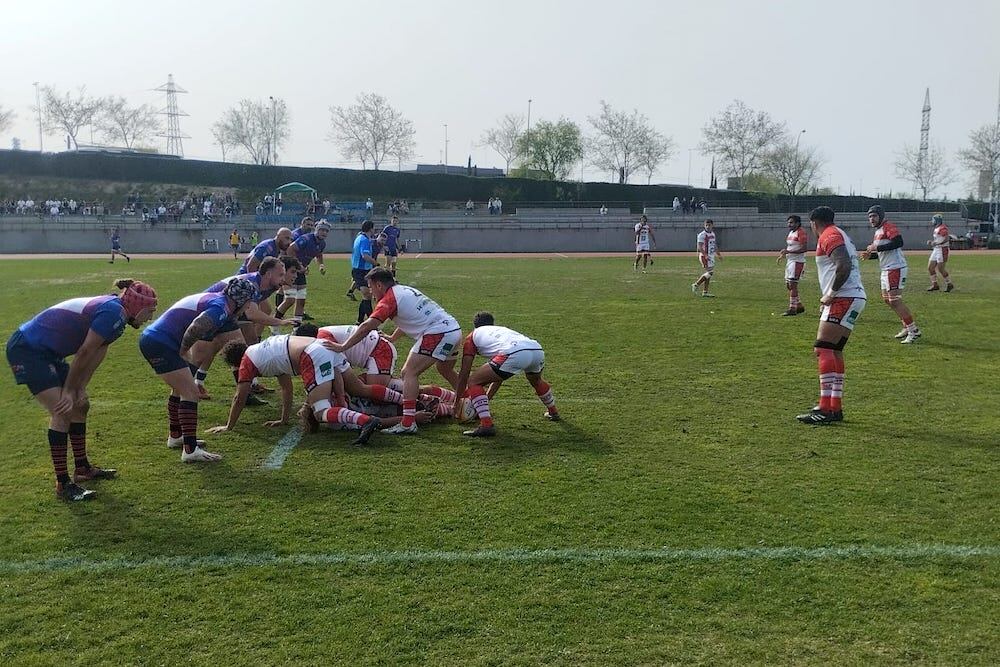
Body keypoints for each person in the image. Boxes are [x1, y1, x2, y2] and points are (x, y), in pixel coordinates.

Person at [6, 279, 158, 500]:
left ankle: (82, 469)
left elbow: (98, 351)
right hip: (27, 349)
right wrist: (69, 390)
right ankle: (63, 484)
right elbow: (84, 352)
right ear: (138, 307)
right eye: (150, 311)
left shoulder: (118, 317)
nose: (150, 317)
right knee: (63, 410)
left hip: (47, 352)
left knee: (81, 405)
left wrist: (80, 388)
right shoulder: (113, 313)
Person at [325, 268, 461, 435]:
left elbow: (367, 326)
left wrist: (342, 346)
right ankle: (469, 400)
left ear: (379, 284)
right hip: (454, 330)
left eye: (370, 286)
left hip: (439, 333)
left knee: (409, 372)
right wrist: (393, 338)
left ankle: (408, 422)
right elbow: (408, 318)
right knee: (445, 369)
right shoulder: (403, 291)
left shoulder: (389, 298)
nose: (371, 292)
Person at [138, 279, 259, 463]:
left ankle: (176, 436)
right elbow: (197, 326)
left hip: (155, 339)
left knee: (180, 390)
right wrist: (184, 349)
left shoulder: (220, 302)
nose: (249, 306)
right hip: (160, 342)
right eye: (249, 302)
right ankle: (190, 449)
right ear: (241, 300)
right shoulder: (221, 307)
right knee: (191, 392)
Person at [208, 335, 381, 446]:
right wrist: (283, 419)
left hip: (311, 354)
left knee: (321, 411)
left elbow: (240, 397)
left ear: (235, 363)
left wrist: (228, 426)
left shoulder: (247, 362)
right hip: (322, 345)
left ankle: (366, 421)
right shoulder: (263, 351)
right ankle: (403, 402)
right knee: (358, 388)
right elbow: (286, 388)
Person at [193, 257, 300, 400]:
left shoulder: (267, 285)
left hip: (228, 312)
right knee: (210, 353)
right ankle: (188, 386)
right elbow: (252, 313)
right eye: (283, 273)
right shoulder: (254, 284)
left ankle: (246, 388)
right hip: (211, 310)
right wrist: (279, 322)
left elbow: (254, 311)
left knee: (245, 344)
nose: (293, 276)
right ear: (269, 274)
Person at [797, 207, 866, 425]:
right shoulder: (839, 233)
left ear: (813, 222)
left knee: (823, 348)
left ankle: (825, 408)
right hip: (852, 297)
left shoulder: (829, 235)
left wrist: (831, 294)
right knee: (834, 350)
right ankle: (835, 407)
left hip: (843, 297)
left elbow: (843, 265)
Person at [452, 312, 560, 437]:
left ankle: (486, 425)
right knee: (536, 381)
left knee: (473, 382)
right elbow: (498, 376)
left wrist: (456, 402)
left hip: (514, 352)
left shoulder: (472, 337)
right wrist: (485, 400)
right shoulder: (500, 331)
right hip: (536, 349)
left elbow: (464, 374)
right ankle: (553, 411)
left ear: (475, 326)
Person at [861, 205, 920, 344]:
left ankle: (914, 330)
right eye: (870, 216)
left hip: (895, 267)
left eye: (874, 216)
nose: (871, 219)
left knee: (895, 300)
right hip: (886, 268)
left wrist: (876, 247)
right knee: (887, 300)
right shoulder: (877, 232)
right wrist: (872, 256)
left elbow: (898, 242)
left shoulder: (888, 226)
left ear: (881, 216)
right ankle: (907, 326)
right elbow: (884, 252)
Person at [276, 221, 328, 324]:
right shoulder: (306, 238)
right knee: (290, 299)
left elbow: (319, 254)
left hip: (300, 270)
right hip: (289, 269)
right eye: (322, 230)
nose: (324, 233)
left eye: (326, 231)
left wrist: (321, 265)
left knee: (301, 300)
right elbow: (290, 249)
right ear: (317, 229)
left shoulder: (322, 243)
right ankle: (275, 325)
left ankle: (296, 328)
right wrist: (298, 265)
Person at [348, 220, 379, 323]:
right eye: (373, 228)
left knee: (367, 296)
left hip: (361, 270)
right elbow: (365, 256)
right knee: (367, 294)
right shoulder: (364, 240)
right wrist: (375, 263)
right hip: (360, 270)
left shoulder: (360, 237)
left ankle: (360, 320)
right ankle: (372, 321)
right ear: (370, 228)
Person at [777, 215, 808, 316]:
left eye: (791, 223)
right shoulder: (791, 232)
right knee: (789, 285)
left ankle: (792, 309)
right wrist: (784, 253)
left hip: (797, 262)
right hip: (790, 261)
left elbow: (804, 249)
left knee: (793, 285)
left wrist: (788, 251)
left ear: (797, 223)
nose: (789, 225)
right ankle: (798, 306)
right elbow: (791, 246)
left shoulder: (801, 232)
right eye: (789, 222)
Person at [692, 219, 722, 297]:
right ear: (704, 226)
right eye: (706, 225)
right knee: (710, 272)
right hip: (704, 256)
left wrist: (718, 254)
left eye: (709, 225)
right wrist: (705, 255)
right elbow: (699, 246)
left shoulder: (713, 234)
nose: (708, 227)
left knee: (708, 274)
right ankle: (696, 284)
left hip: (711, 256)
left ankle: (705, 292)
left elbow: (714, 245)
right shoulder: (702, 235)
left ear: (712, 225)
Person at [926, 213, 955, 292]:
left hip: (942, 249)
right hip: (936, 249)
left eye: (933, 220)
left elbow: (946, 238)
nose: (932, 221)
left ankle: (949, 284)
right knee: (930, 267)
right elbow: (939, 239)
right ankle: (935, 284)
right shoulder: (937, 228)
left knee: (941, 269)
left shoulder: (942, 228)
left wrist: (936, 243)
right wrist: (932, 242)